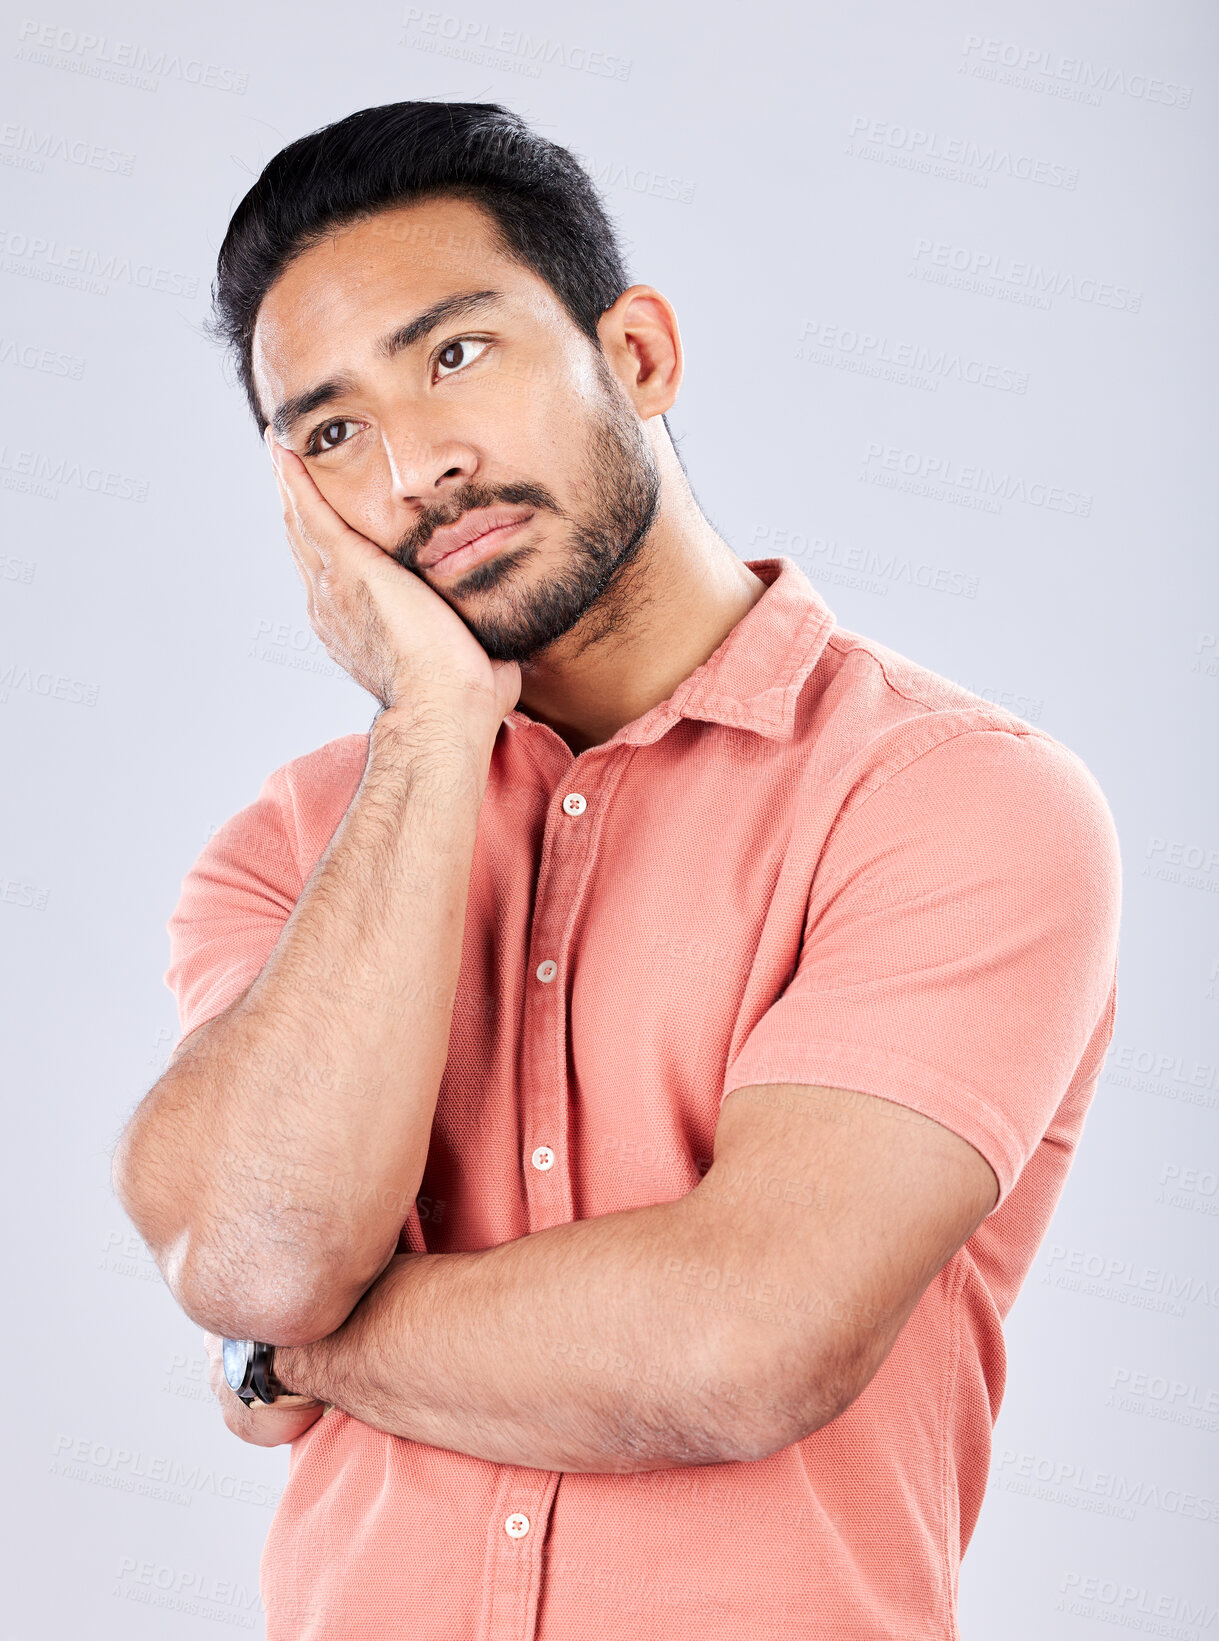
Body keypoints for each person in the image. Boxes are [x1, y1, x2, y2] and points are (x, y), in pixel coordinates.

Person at [113, 101, 1122, 1640]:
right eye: (333, 433)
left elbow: (742, 1338)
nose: (419, 467)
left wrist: (297, 1353)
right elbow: (256, 1252)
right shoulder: (291, 847)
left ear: (636, 356)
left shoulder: (954, 800)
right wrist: (439, 723)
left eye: (456, 354)